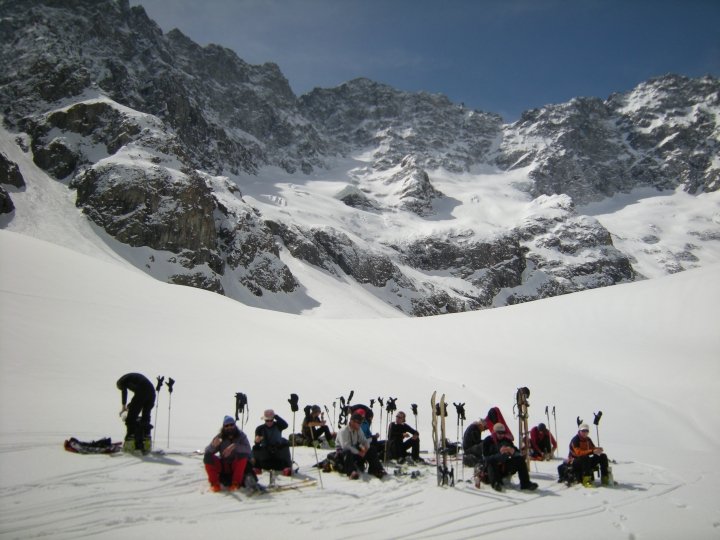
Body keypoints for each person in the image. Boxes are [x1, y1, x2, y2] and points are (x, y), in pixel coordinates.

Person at [204, 415, 255, 492]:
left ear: (235, 425)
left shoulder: (241, 436)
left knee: (242, 456)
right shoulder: (220, 437)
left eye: (231, 425)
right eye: (227, 426)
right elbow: (207, 451)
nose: (229, 427)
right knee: (208, 456)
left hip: (236, 466)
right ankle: (215, 484)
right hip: (224, 465)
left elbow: (248, 450)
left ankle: (236, 483)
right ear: (224, 427)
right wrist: (212, 446)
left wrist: (235, 446)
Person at [482, 423, 538, 491]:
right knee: (491, 462)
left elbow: (518, 453)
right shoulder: (487, 441)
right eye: (499, 433)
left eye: (503, 433)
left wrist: (513, 451)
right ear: (494, 432)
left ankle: (525, 483)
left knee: (520, 460)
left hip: (504, 467)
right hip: (491, 470)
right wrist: (499, 454)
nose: (501, 435)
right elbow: (485, 458)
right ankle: (496, 484)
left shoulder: (507, 440)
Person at [336, 412, 386, 479]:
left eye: (361, 423)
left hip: (355, 451)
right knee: (347, 451)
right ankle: (351, 472)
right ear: (352, 421)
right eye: (358, 423)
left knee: (372, 449)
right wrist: (359, 452)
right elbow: (346, 446)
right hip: (343, 454)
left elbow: (364, 440)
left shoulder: (358, 430)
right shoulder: (343, 431)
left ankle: (376, 469)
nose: (360, 425)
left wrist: (366, 449)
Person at [116, 373, 156, 452]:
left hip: (143, 391)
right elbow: (139, 398)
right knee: (145, 418)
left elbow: (125, 391)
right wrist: (131, 405)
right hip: (152, 393)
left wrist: (124, 406)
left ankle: (130, 443)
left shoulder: (122, 381)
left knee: (131, 419)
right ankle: (146, 442)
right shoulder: (133, 378)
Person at [253, 409, 292, 476]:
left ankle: (287, 467)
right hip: (266, 451)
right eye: (267, 420)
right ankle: (257, 467)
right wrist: (257, 441)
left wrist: (276, 416)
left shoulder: (278, 425)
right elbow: (257, 443)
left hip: (277, 450)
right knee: (255, 448)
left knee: (285, 445)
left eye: (271, 420)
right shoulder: (260, 428)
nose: (269, 422)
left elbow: (285, 425)